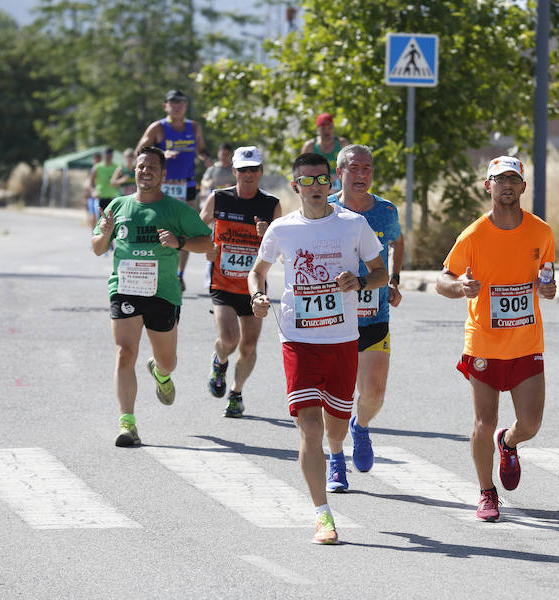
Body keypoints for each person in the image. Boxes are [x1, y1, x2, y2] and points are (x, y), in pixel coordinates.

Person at [248, 152, 387, 544]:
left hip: (342, 340)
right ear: (295, 186)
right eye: (306, 181)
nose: (314, 187)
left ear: (331, 182)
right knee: (309, 428)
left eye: (321, 180)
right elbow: (257, 273)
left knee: (335, 428)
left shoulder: (353, 224)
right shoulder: (282, 229)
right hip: (297, 339)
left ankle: (339, 450)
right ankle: (322, 515)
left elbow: (381, 273)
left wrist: (359, 283)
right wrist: (258, 297)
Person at [435, 156, 556, 522]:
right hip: (484, 344)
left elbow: (546, 278)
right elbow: (443, 279)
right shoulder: (473, 236)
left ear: (522, 187)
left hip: (526, 343)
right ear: (488, 186)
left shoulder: (541, 232)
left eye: (513, 180)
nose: (506, 185)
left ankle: (509, 443)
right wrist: (459, 287)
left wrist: (547, 288)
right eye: (499, 180)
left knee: (531, 424)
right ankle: (487, 493)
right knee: (483, 423)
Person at [91, 146, 213, 447]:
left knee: (168, 361)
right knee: (124, 353)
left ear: (163, 173)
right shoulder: (117, 207)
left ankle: (160, 373)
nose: (145, 171)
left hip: (163, 292)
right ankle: (127, 424)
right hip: (125, 288)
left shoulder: (176, 210)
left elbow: (207, 243)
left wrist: (179, 241)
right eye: (141, 166)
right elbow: (96, 247)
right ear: (135, 170)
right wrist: (104, 233)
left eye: (152, 167)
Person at [327, 145, 404, 478]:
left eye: (367, 169)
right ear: (340, 171)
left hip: (374, 315)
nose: (361, 175)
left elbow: (397, 242)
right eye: (354, 168)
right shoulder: (323, 209)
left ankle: (361, 426)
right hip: (330, 317)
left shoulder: (385, 211)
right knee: (336, 395)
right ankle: (334, 460)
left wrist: (394, 279)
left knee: (373, 392)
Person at [200, 146, 282, 417]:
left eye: (254, 169)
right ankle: (219, 361)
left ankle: (236, 393)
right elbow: (199, 229)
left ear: (261, 172)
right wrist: (206, 247)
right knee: (229, 339)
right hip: (223, 283)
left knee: (248, 346)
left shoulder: (271, 204)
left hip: (254, 287)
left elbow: (284, 248)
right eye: (243, 170)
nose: (248, 174)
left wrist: (268, 232)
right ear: (234, 171)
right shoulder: (219, 198)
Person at [135, 89, 212, 291]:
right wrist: (161, 153)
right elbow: (139, 152)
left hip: (186, 183)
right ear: (165, 106)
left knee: (184, 227)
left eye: (180, 103)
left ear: (185, 106)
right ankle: (156, 268)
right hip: (164, 183)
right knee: (158, 225)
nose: (176, 107)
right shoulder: (158, 128)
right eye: (172, 103)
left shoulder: (193, 127)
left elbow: (202, 148)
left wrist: (206, 158)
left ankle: (179, 274)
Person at [301, 113, 349, 191]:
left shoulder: (342, 144)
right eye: (323, 128)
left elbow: (350, 168)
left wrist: (337, 176)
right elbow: (302, 173)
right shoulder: (310, 147)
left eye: (329, 128)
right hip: (317, 191)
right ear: (318, 129)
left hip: (340, 193)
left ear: (333, 127)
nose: (327, 131)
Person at [88, 148, 121, 214]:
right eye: (107, 155)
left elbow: (121, 182)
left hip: (113, 198)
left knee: (113, 220)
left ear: (112, 156)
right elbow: (90, 183)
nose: (108, 157)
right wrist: (93, 191)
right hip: (100, 198)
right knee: (100, 221)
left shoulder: (117, 167)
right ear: (104, 155)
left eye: (110, 155)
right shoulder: (97, 167)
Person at [84, 153, 102, 227]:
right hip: (93, 196)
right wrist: (93, 192)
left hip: (100, 195)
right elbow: (87, 184)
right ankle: (93, 235)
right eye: (95, 159)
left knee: (99, 217)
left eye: (98, 159)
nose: (97, 161)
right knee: (93, 217)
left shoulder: (102, 169)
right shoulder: (92, 170)